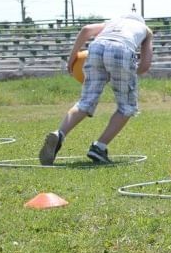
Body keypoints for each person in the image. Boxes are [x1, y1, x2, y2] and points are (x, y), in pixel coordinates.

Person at [38, 13, 153, 165]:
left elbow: (86, 30)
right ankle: (99, 147)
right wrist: (127, 72)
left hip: (96, 47)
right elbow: (144, 66)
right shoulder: (145, 30)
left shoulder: (113, 21)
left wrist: (71, 59)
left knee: (85, 102)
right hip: (122, 48)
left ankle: (59, 134)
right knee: (127, 107)